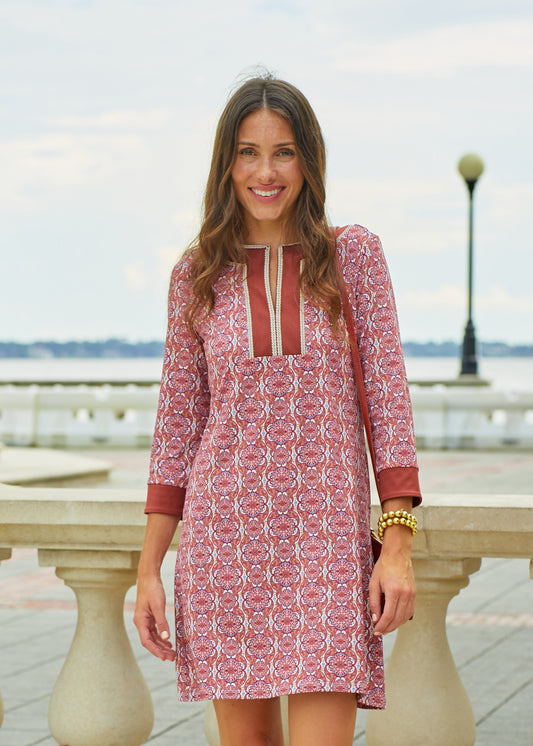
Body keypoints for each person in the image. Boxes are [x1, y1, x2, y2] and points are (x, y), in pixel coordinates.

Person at [134, 74, 422, 746]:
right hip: (224, 544)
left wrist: (397, 542)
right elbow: (176, 427)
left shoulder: (353, 256)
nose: (265, 172)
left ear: (308, 160)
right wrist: (148, 570)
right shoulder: (196, 273)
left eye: (284, 152)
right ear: (225, 164)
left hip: (324, 548)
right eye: (248, 152)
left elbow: (387, 401)